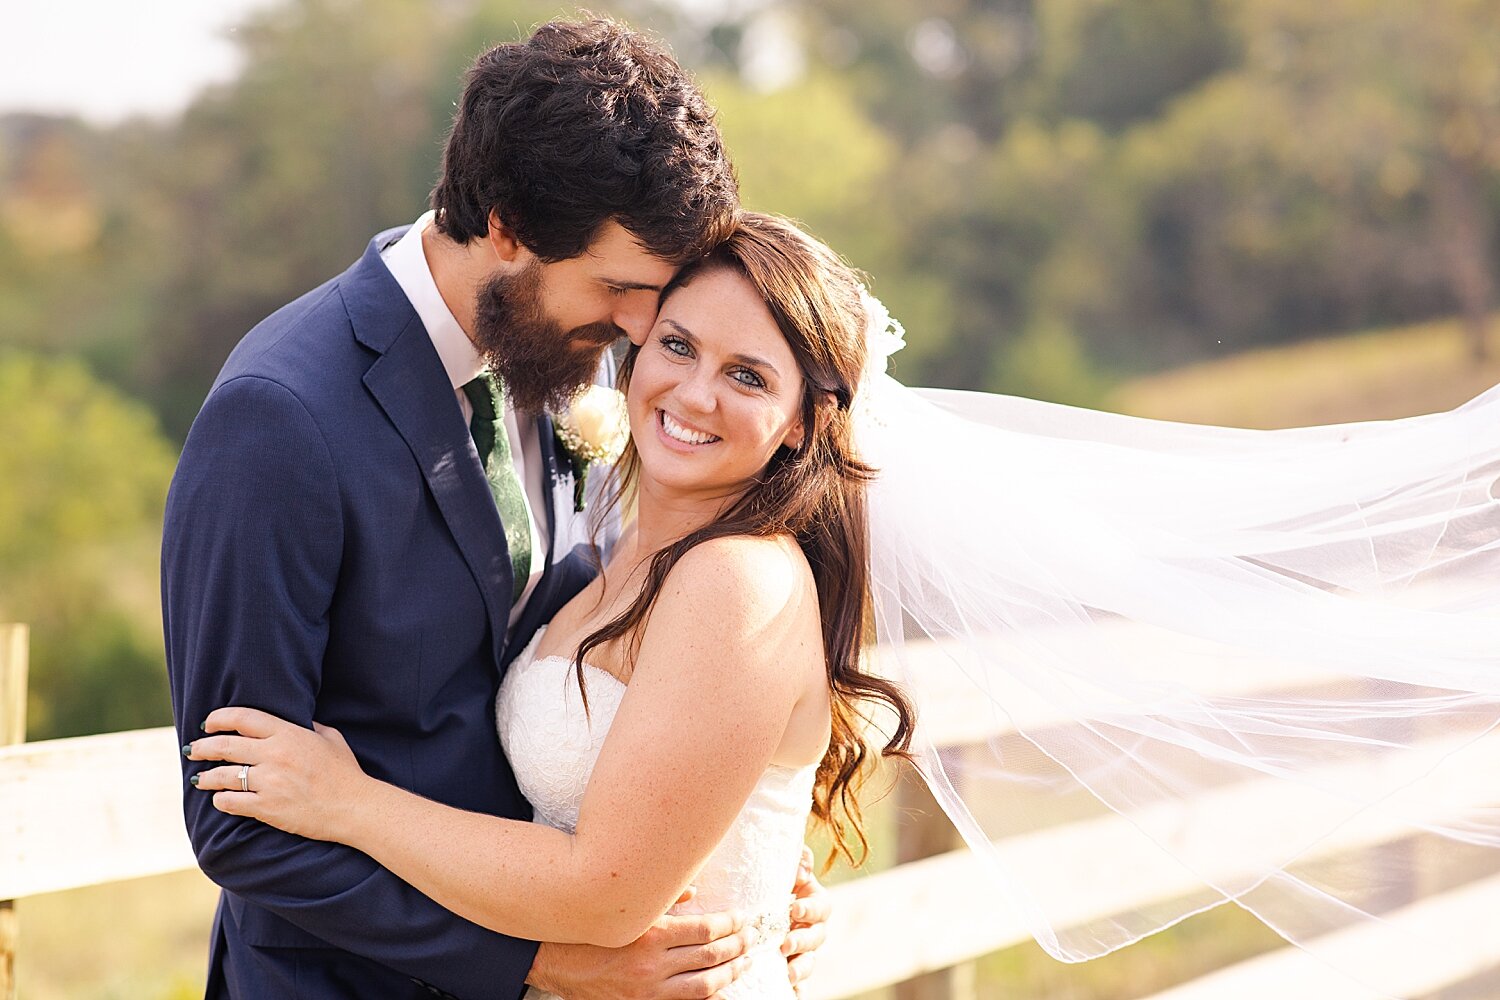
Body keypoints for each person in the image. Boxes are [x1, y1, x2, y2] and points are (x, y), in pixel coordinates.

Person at [187, 208, 1500, 998]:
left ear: (811, 422)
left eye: (747, 376)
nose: (691, 393)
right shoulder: (625, 535)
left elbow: (600, 891)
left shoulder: (742, 586)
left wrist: (347, 800)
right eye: (679, 345)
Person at [163, 20, 830, 1000]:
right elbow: (237, 815)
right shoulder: (282, 417)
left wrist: (744, 864)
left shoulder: (565, 347)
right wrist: (545, 960)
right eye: (621, 289)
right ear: (508, 228)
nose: (646, 335)